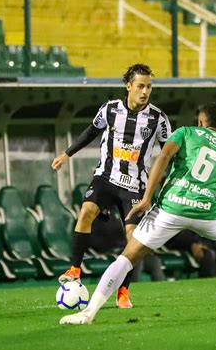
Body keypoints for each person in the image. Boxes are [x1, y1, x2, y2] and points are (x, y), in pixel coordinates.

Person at [60, 102, 216, 325]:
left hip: (171, 209)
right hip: (206, 212)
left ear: (200, 122)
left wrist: (146, 198)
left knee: (126, 257)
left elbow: (162, 158)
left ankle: (89, 313)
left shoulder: (185, 132)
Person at [51, 64, 172, 308]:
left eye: (149, 86)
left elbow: (170, 151)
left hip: (135, 186)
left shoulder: (158, 118)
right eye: (140, 86)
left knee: (132, 239)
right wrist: (67, 154)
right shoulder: (110, 110)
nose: (145, 91)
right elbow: (90, 132)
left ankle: (123, 292)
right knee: (85, 212)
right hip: (106, 178)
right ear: (129, 86)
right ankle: (75, 269)